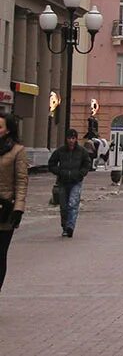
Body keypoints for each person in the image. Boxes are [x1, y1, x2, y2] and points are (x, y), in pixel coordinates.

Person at [0, 114, 28, 291]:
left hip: (4, 210)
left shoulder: (17, 151)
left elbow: (21, 182)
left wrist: (18, 209)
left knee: (0, 255)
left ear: (8, 130)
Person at [47, 128, 89, 237]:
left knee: (73, 204)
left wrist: (80, 174)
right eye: (69, 138)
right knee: (64, 206)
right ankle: (65, 226)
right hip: (63, 181)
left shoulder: (81, 151)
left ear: (76, 139)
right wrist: (60, 172)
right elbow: (51, 164)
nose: (71, 140)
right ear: (66, 139)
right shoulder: (60, 151)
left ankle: (70, 227)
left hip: (76, 181)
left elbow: (87, 164)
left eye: (73, 138)